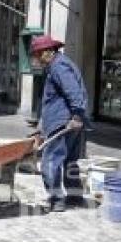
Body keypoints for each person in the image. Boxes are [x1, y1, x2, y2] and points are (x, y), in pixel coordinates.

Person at [30, 35, 88, 212]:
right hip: (67, 120)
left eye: (38, 55)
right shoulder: (58, 65)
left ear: (47, 52)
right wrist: (41, 126)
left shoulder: (59, 67)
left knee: (50, 160)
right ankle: (75, 196)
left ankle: (56, 200)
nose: (37, 59)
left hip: (63, 121)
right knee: (70, 160)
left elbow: (74, 92)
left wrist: (77, 116)